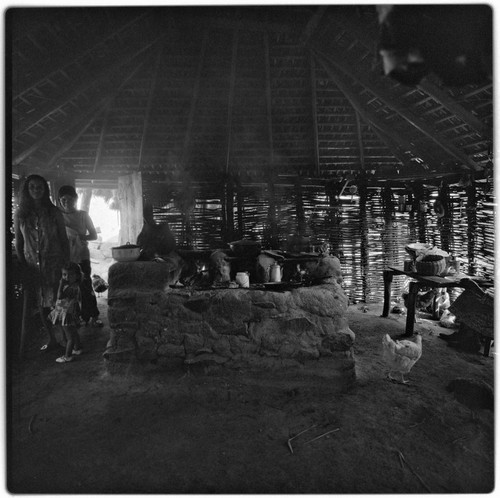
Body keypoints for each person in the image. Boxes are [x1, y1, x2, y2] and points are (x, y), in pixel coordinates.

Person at [14, 174, 70, 356]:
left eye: (40, 187)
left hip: (54, 265)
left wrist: (66, 265)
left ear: (45, 190)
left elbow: (63, 239)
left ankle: (65, 339)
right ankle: (52, 340)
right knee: (41, 305)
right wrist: (24, 267)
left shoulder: (54, 212)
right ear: (26, 190)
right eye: (32, 187)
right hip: (34, 268)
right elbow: (19, 244)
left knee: (58, 303)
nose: (36, 190)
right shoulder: (20, 214)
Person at [57, 185, 103, 326]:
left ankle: (93, 316)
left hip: (82, 256)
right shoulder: (58, 216)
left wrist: (80, 236)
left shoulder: (83, 215)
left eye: (70, 199)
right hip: (66, 258)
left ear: (75, 200)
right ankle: (74, 318)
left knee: (85, 286)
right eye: (63, 199)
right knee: (67, 289)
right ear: (59, 200)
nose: (66, 202)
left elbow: (94, 235)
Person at [48, 262, 83, 363]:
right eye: (64, 274)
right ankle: (77, 348)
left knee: (69, 337)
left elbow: (59, 296)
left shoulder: (71, 287)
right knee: (73, 332)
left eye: (70, 274)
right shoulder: (72, 285)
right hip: (66, 312)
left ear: (77, 275)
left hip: (66, 314)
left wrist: (60, 284)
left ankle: (67, 356)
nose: (66, 277)